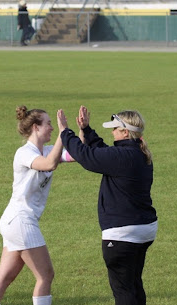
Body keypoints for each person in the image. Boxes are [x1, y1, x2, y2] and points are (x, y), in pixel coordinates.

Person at [60, 106, 158, 305]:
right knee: (134, 285)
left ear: (124, 132)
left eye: (114, 128)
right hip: (144, 229)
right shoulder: (136, 153)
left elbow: (86, 156)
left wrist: (65, 132)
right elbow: (103, 152)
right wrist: (87, 130)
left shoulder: (122, 157)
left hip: (123, 234)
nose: (112, 132)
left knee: (123, 292)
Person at [0, 107, 74, 305]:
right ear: (35, 127)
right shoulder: (24, 153)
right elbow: (49, 164)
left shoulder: (48, 150)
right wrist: (63, 132)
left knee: (4, 278)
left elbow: (75, 155)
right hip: (20, 221)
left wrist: (82, 130)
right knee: (45, 275)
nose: (51, 127)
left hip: (15, 222)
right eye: (48, 123)